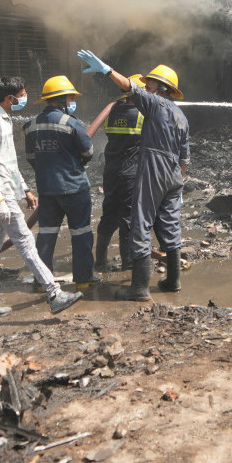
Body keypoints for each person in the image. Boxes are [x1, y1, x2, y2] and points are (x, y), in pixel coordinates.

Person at [77, 50, 189, 302]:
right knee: (170, 226)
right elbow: (184, 158)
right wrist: (178, 188)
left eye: (149, 84)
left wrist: (107, 70)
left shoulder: (155, 102)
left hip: (154, 168)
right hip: (174, 174)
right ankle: (173, 281)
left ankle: (139, 288)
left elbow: (130, 87)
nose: (145, 87)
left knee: (140, 222)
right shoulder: (181, 116)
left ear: (160, 88)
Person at [0, 76, 82, 319]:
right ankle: (54, 294)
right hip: (2, 195)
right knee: (26, 243)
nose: (24, 99)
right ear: (10, 98)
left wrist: (25, 190)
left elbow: (9, 163)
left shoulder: (4, 119)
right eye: (21, 95)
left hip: (7, 192)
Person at [23, 76, 100, 287]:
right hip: (75, 189)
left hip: (47, 190)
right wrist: (73, 164)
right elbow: (88, 152)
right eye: (71, 98)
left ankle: (42, 282)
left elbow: (31, 158)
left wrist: (47, 170)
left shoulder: (30, 126)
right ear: (64, 99)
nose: (72, 102)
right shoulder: (72, 123)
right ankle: (84, 281)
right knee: (81, 233)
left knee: (46, 236)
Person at [88, 74, 146, 272]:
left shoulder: (112, 111)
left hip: (111, 172)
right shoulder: (141, 114)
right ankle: (127, 263)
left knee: (109, 214)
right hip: (131, 174)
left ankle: (100, 261)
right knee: (128, 218)